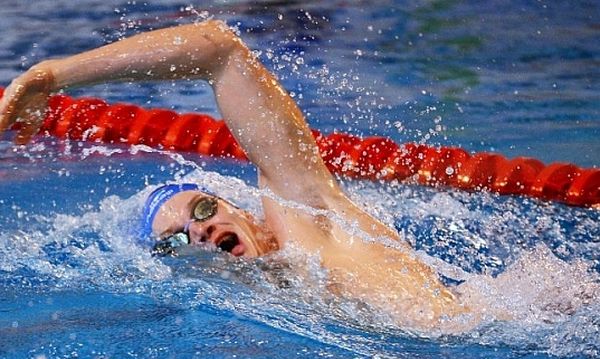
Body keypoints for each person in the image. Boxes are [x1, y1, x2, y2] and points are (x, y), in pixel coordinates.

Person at [0, 20, 475, 333]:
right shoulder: (277, 307)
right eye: (175, 242)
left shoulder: (309, 222)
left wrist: (50, 75)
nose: (199, 230)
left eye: (201, 209)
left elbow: (219, 49)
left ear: (240, 210)